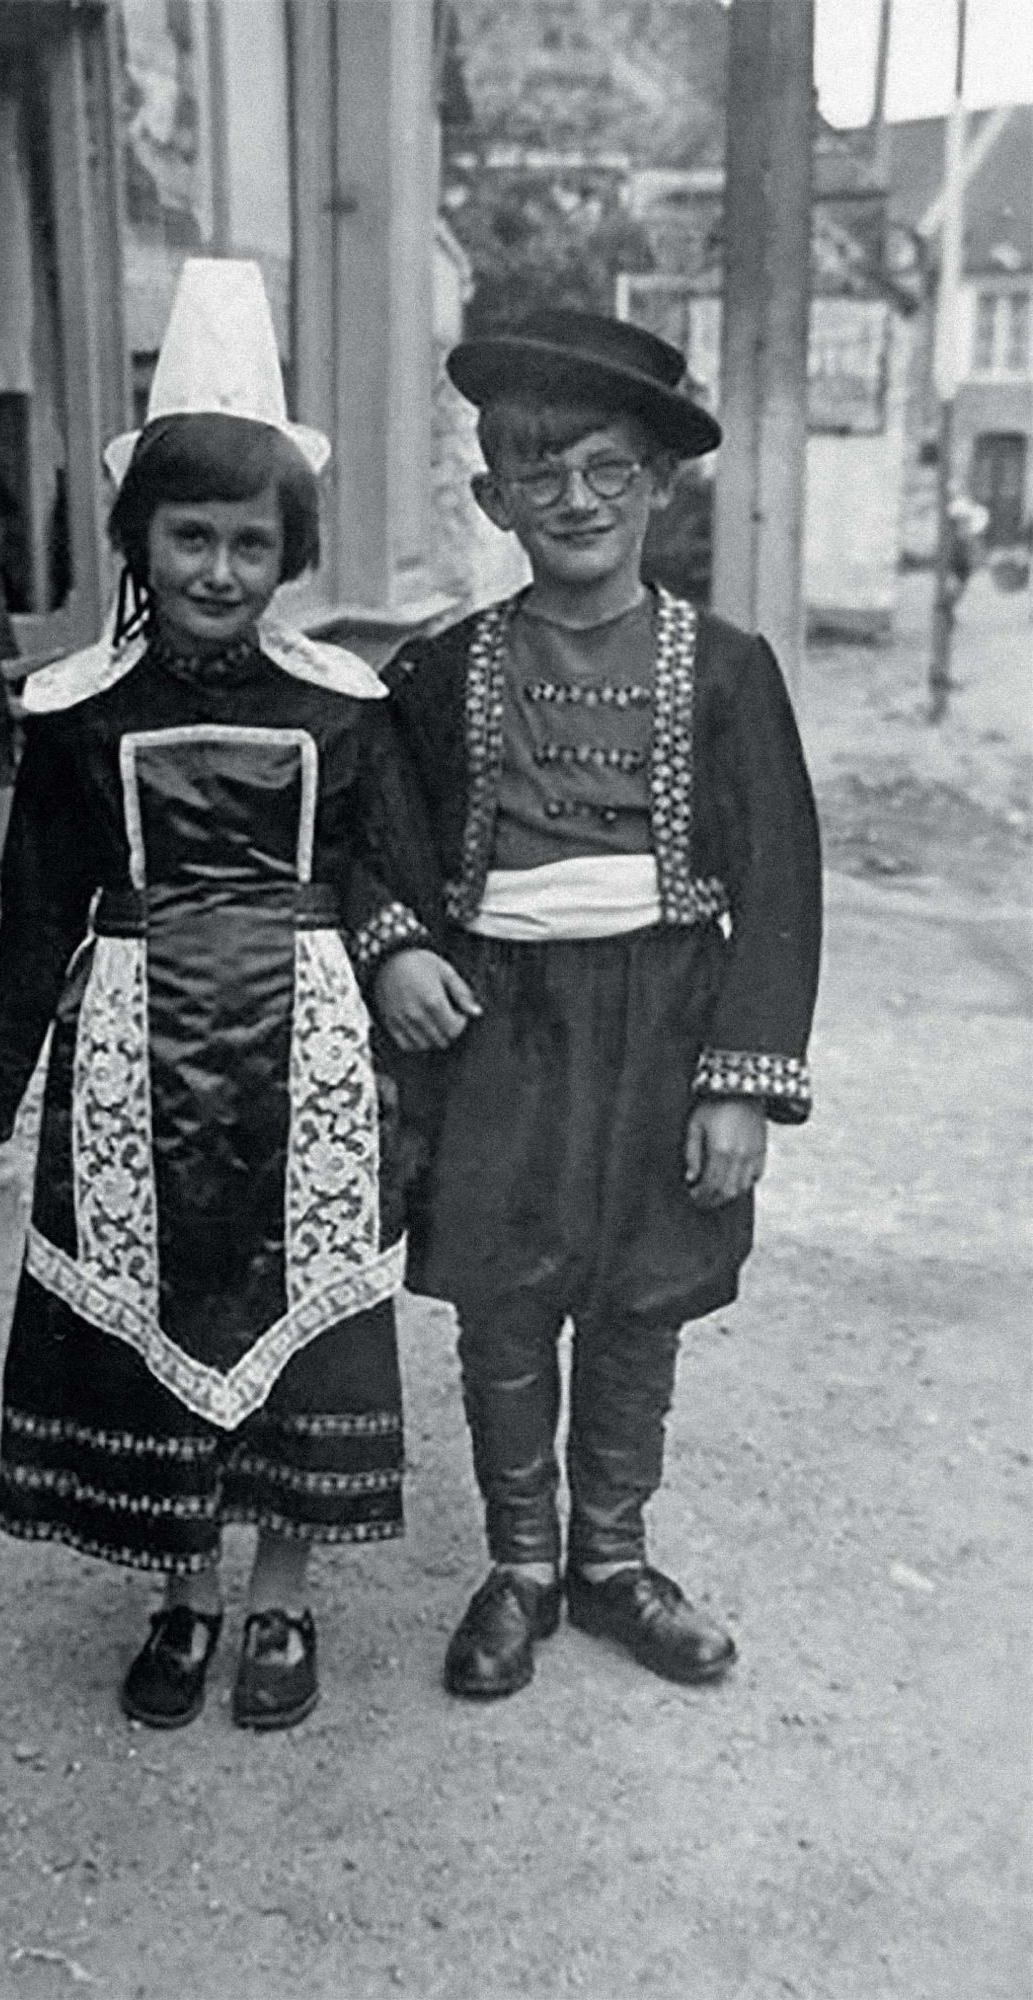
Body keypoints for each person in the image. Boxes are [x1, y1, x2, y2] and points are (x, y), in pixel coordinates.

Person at [0, 263, 439, 1732]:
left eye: (251, 542)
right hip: (135, 1046)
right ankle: (184, 1591)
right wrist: (18, 1060)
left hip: (309, 1053)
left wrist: (398, 967)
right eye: (191, 537)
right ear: (139, 538)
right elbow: (39, 893)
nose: (220, 571)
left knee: (303, 1311)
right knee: (153, 1310)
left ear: (289, 551)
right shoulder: (79, 712)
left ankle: (284, 1591)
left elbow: (384, 868)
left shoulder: (342, 704)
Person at [375, 309, 822, 1700]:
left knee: (639, 1294)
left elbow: (781, 883)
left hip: (665, 1017)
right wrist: (396, 953)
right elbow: (374, 838)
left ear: (660, 485)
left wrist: (741, 1082)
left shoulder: (728, 670)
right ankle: (519, 1563)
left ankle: (612, 1558)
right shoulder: (436, 672)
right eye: (537, 471)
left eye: (607, 468)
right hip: (499, 1025)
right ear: (490, 497)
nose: (574, 500)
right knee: (504, 1299)